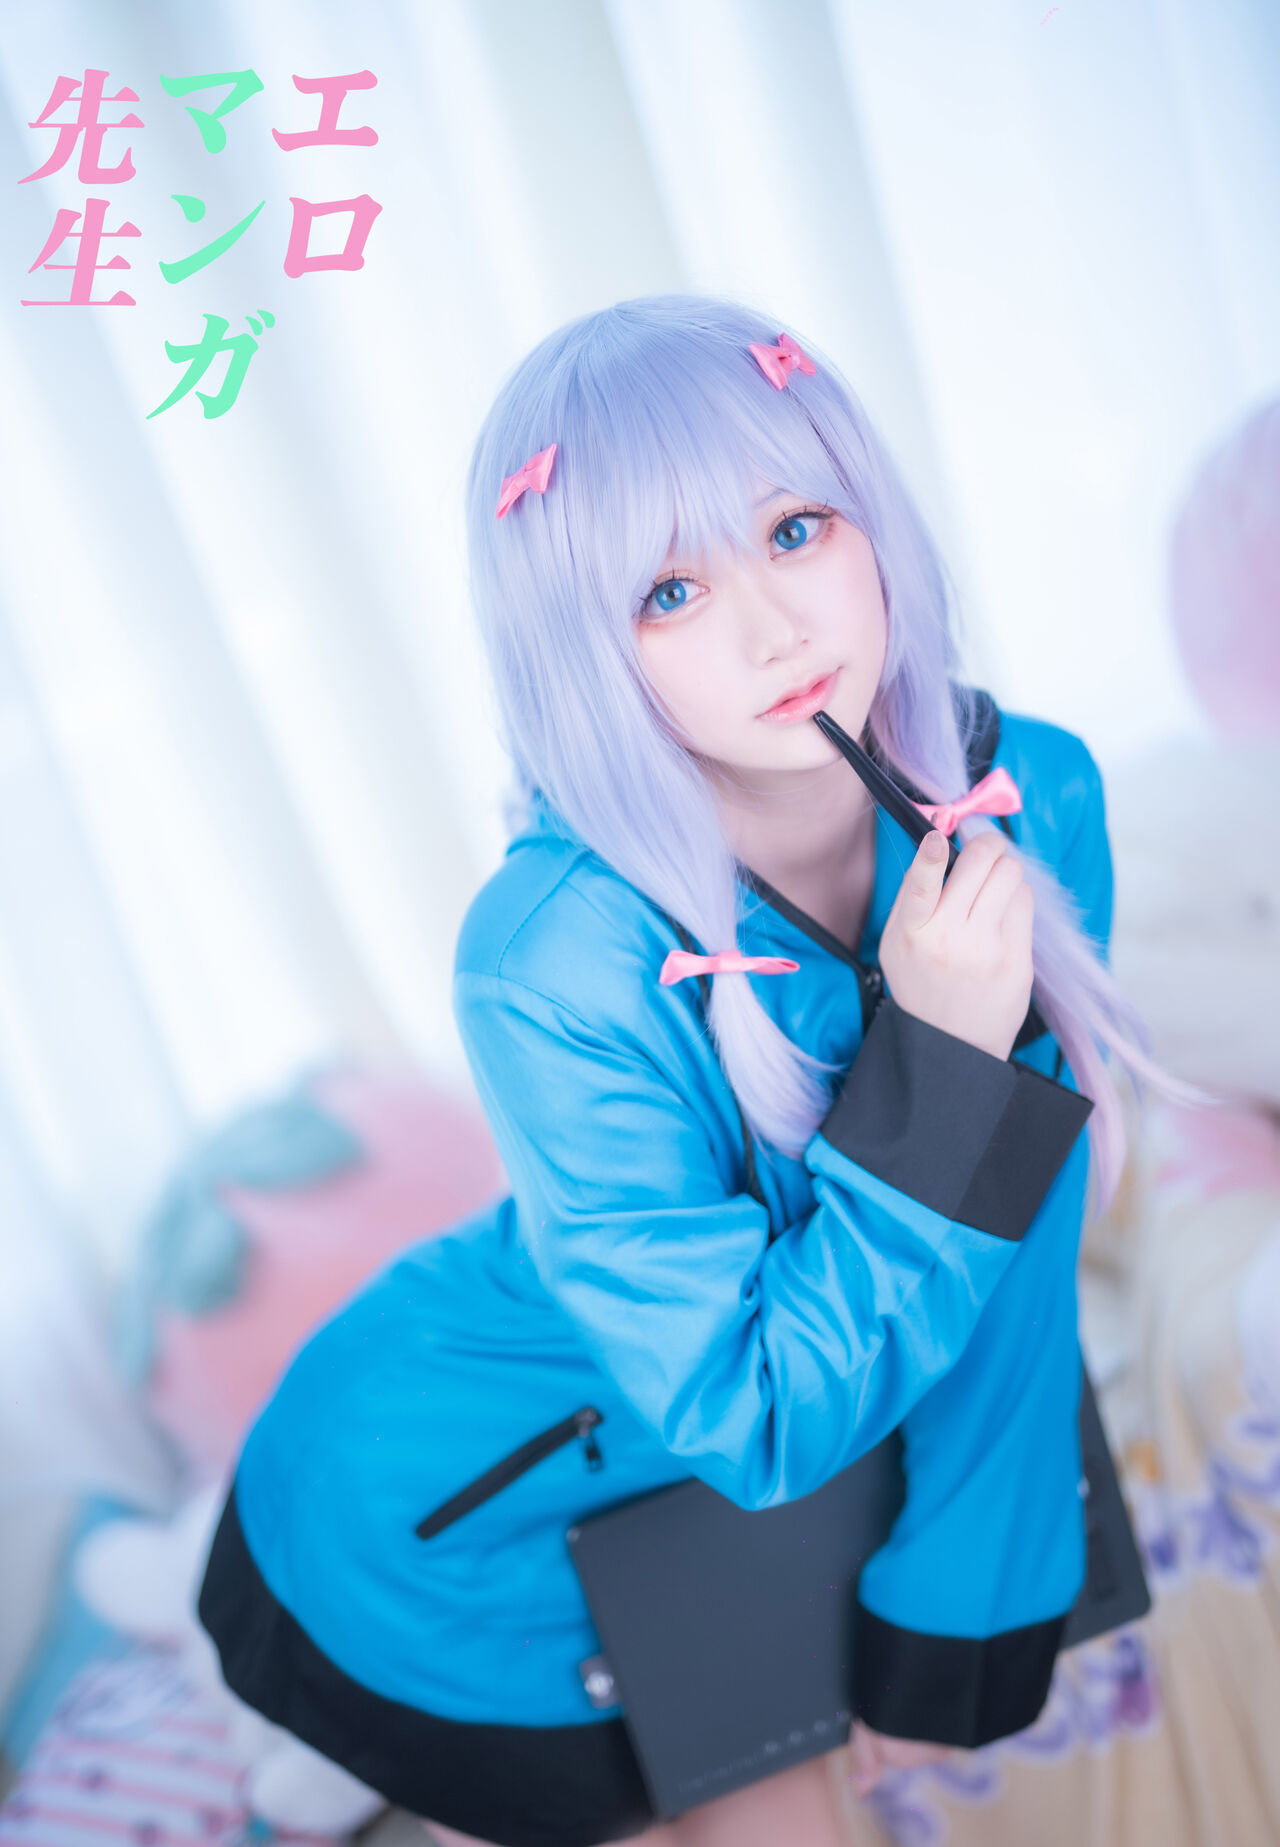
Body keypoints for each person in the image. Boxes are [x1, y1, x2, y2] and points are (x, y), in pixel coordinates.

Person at [196, 294, 1193, 1847]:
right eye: (670, 589)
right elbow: (751, 1407)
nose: (773, 628)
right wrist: (939, 1064)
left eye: (796, 528)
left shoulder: (1028, 793)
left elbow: (1020, 1252)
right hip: (452, 1508)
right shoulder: (550, 955)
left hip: (730, 1494)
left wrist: (962, 1617)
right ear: (581, 649)